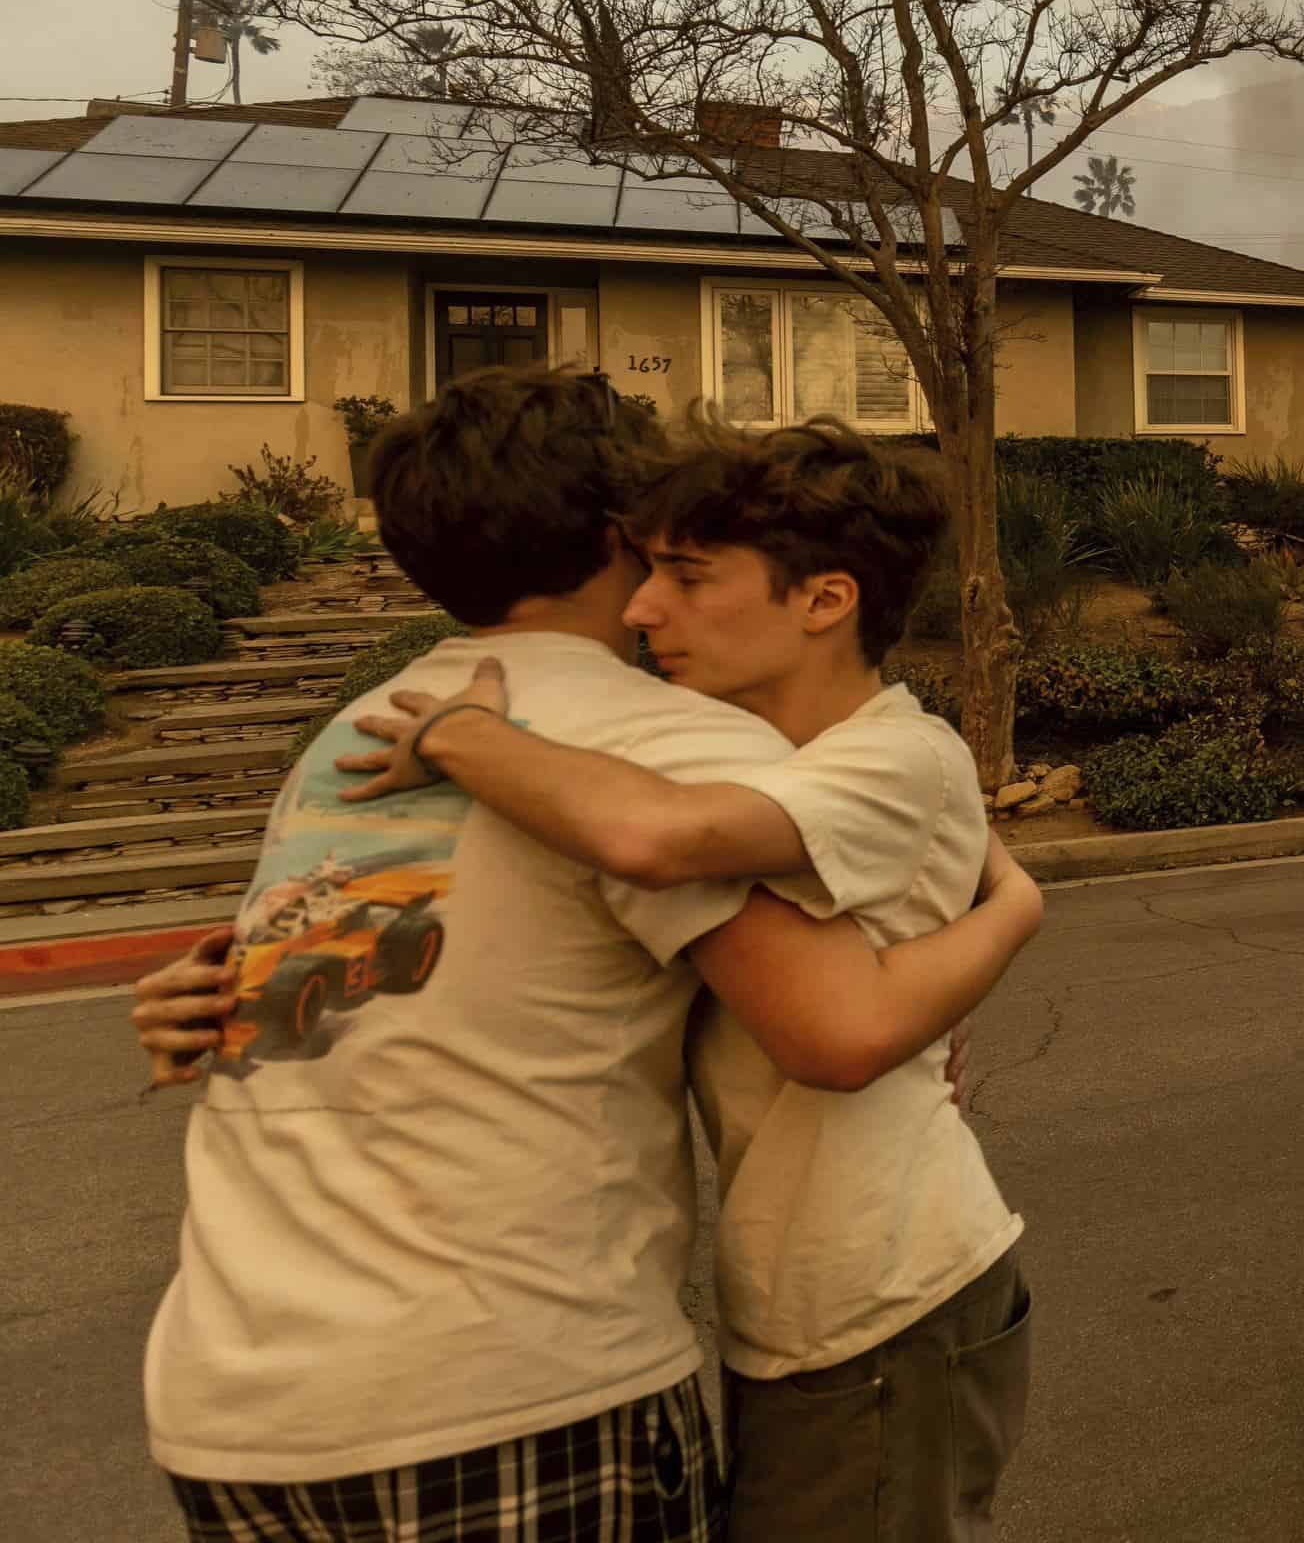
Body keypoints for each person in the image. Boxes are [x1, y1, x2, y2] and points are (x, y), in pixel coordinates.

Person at [129, 370, 1035, 1543]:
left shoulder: (356, 731)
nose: (659, 599)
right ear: (622, 532)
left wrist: (193, 998)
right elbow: (840, 1021)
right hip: (498, 1389)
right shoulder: (671, 744)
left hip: (232, 1395)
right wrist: (1016, 909)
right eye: (659, 557)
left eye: (691, 568)